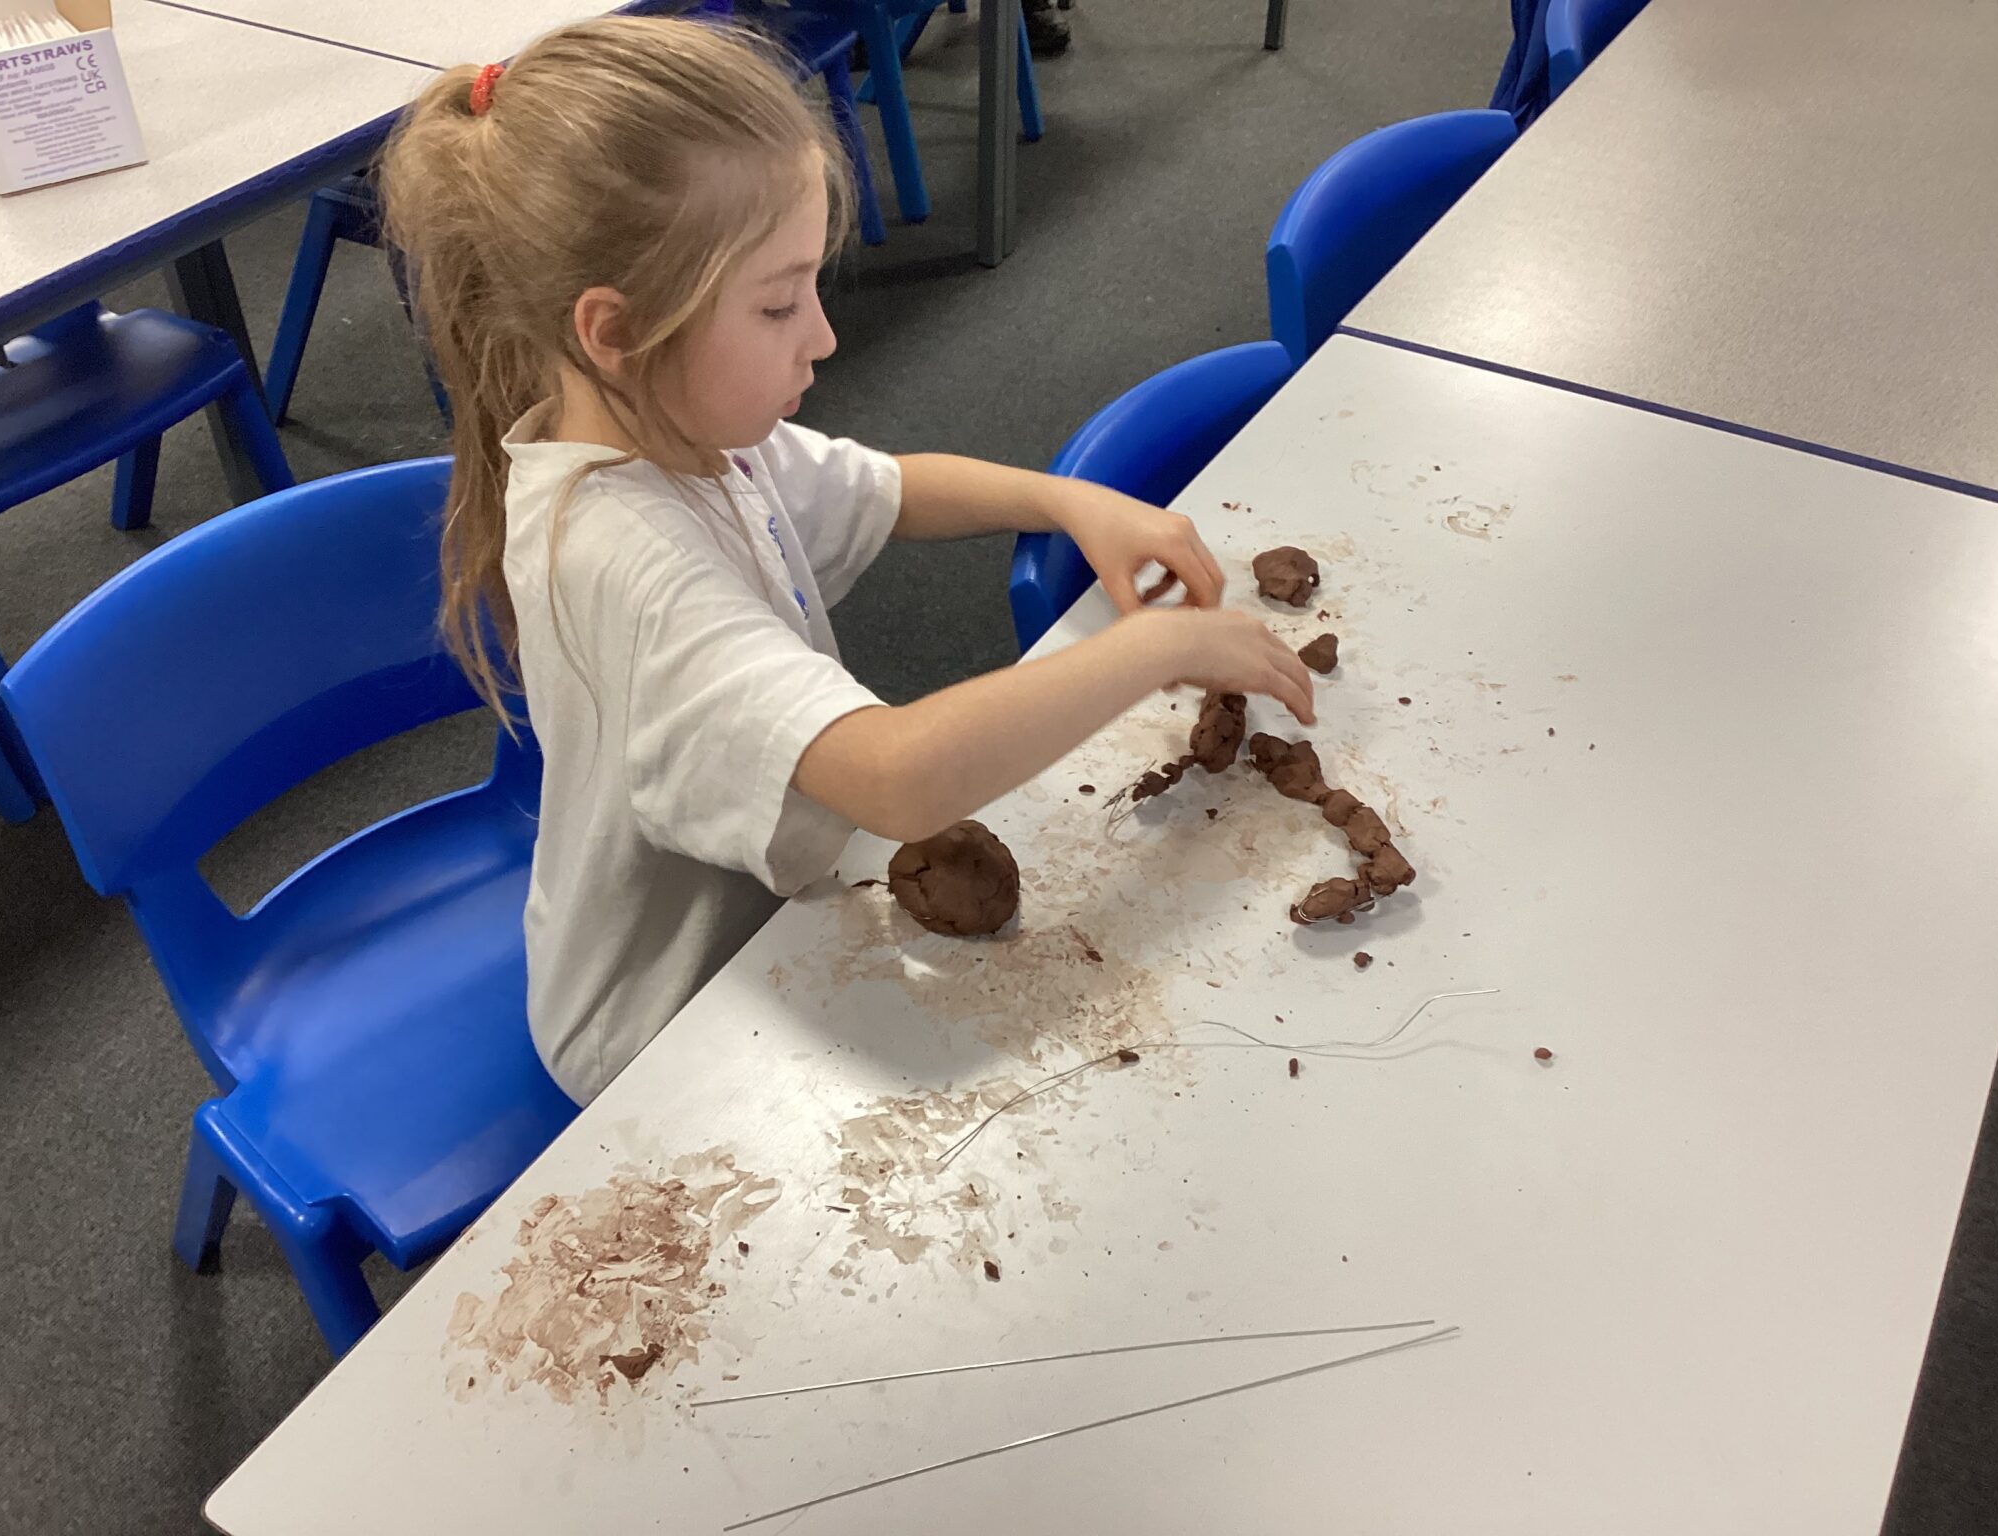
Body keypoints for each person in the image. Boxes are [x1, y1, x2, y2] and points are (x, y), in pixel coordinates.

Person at [379, 16, 1311, 1105]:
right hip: (662, 1028)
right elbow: (897, 777)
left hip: (773, 924)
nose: (820, 337)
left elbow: (892, 487)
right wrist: (1155, 651)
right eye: (778, 303)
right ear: (615, 333)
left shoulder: (686, 432)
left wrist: (1067, 500)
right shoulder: (627, 561)